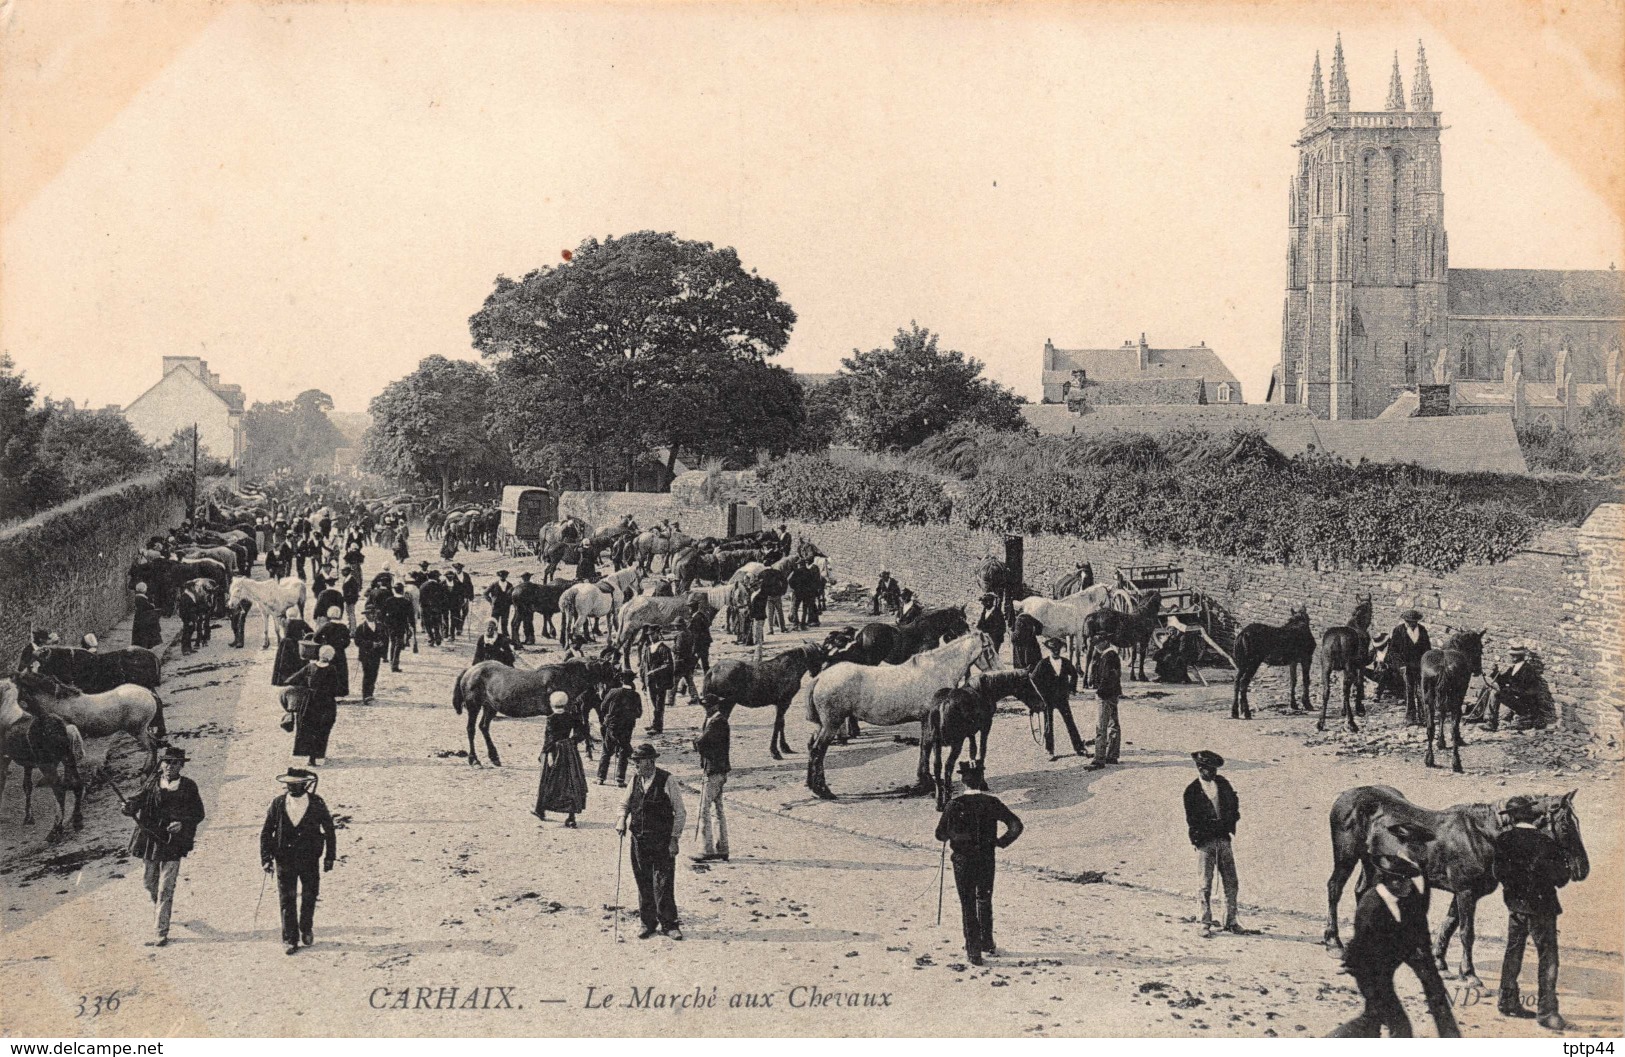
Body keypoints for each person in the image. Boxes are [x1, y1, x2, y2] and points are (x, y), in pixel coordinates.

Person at [1328, 852, 1462, 1038]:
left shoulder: (1396, 899)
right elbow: (1362, 950)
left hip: (1383, 970)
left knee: (1375, 1022)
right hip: (1371, 975)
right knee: (1396, 1027)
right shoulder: (1371, 906)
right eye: (1406, 881)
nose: (1410, 885)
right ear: (1394, 882)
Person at [1494, 795, 1571, 1031]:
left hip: (1516, 907)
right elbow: (1561, 879)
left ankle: (1507, 1001)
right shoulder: (1547, 842)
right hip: (1543, 908)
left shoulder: (1503, 840)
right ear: (1532, 816)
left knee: (1513, 952)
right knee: (1547, 956)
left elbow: (1499, 874)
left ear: (1512, 818)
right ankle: (1547, 1011)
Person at [123, 746, 206, 948]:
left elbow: (199, 813)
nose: (170, 766)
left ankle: (161, 931)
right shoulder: (152, 783)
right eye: (167, 762)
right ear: (161, 764)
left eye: (175, 763)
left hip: (173, 842)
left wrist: (183, 824)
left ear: (181, 766)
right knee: (149, 883)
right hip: (150, 839)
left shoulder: (189, 787)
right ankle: (160, 907)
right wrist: (128, 807)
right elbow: (137, 800)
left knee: (165, 888)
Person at [935, 787, 1023, 966]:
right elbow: (1016, 825)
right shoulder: (992, 802)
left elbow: (940, 834)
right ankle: (987, 942)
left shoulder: (955, 804)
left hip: (963, 860)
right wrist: (1000, 842)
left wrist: (953, 836)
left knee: (967, 903)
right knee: (984, 898)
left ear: (963, 781)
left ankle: (973, 951)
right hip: (986, 858)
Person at [259, 768, 337, 956]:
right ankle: (289, 939)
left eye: (295, 783)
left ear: (305, 784)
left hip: (309, 858)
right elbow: (266, 831)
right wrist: (266, 858)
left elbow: (329, 830)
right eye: (288, 783)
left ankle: (306, 927)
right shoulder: (278, 803)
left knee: (310, 894)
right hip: (284, 859)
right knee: (287, 899)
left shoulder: (317, 803)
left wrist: (329, 857)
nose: (291, 787)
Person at [616, 744, 686, 940]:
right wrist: (621, 819)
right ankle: (647, 923)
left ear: (650, 761)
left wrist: (674, 839)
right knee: (643, 881)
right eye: (634, 762)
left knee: (663, 882)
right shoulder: (635, 779)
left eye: (638, 762)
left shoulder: (667, 780)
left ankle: (669, 924)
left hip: (662, 841)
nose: (635, 765)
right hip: (639, 838)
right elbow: (624, 803)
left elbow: (680, 813)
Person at [1183, 750, 1253, 935]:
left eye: (1214, 769)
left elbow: (1234, 805)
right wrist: (1202, 837)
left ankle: (1230, 921)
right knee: (1205, 883)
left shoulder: (1222, 784)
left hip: (1223, 838)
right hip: (1205, 842)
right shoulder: (1191, 791)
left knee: (1231, 882)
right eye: (1209, 769)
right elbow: (1192, 820)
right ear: (1200, 768)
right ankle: (1203, 921)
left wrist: (1229, 822)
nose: (1213, 773)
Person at [533, 691, 589, 827]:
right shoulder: (571, 717)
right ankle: (571, 817)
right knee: (572, 781)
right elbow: (583, 732)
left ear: (552, 704)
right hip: (569, 751)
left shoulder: (551, 719)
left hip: (555, 751)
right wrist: (572, 741)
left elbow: (550, 739)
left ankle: (540, 809)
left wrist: (544, 753)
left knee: (547, 780)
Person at [1027, 638, 1087, 758]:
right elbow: (1033, 679)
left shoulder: (1065, 662)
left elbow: (1074, 674)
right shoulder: (1043, 663)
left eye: (1057, 649)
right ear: (1049, 650)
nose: (1055, 652)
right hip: (1047, 699)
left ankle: (1079, 748)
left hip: (1062, 698)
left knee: (1070, 722)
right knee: (1048, 723)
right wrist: (1040, 694)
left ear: (1060, 650)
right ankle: (1050, 750)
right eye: (1053, 649)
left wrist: (1071, 688)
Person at [284, 644, 342, 766]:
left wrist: (306, 686)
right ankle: (317, 755)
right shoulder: (332, 669)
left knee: (308, 728)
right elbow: (336, 689)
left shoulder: (310, 667)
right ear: (331, 657)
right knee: (323, 728)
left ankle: (310, 758)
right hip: (326, 703)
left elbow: (291, 680)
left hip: (309, 702)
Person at [692, 694, 731, 862]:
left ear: (714, 706)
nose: (706, 709)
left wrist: (696, 742)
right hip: (720, 769)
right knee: (718, 810)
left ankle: (706, 849)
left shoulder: (716, 723)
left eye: (707, 706)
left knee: (704, 809)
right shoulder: (719, 720)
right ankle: (722, 847)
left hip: (713, 770)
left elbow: (702, 742)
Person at [1387, 609, 1432, 725]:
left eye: (1413, 622)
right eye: (1408, 621)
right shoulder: (1398, 631)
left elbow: (1427, 649)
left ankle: (1423, 717)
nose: (1410, 624)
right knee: (1409, 690)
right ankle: (1410, 717)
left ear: (1416, 622)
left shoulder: (1422, 631)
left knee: (1421, 691)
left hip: (1420, 666)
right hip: (1406, 666)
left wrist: (1426, 664)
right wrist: (1400, 665)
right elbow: (1393, 651)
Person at [597, 671, 643, 787]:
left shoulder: (613, 692)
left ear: (621, 680)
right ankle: (620, 779)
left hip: (612, 726)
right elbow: (639, 714)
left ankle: (601, 778)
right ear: (632, 680)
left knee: (606, 751)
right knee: (623, 751)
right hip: (627, 727)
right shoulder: (635, 695)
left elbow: (602, 707)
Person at [1484, 645, 1545, 731]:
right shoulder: (1513, 668)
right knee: (1492, 691)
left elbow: (1526, 689)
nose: (1512, 657)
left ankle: (1491, 722)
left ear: (1520, 656)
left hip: (1524, 702)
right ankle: (1488, 720)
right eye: (1512, 655)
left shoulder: (1528, 669)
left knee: (1495, 693)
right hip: (1515, 697)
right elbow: (1502, 681)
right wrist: (1495, 672)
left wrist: (1510, 690)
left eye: (1514, 655)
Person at [1087, 640, 1122, 769]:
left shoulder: (1107, 656)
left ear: (1105, 643)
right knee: (1113, 725)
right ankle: (1112, 755)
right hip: (1113, 694)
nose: (1095, 646)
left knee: (1101, 727)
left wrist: (1099, 692)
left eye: (1097, 643)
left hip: (1105, 695)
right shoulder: (1113, 655)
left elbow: (1106, 678)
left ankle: (1099, 759)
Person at [312, 607, 351, 698]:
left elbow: (315, 638)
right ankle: (341, 691)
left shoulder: (326, 626)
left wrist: (323, 643)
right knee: (341, 671)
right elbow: (347, 641)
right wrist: (341, 646)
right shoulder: (343, 627)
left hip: (327, 651)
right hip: (339, 652)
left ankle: (328, 691)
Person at [353, 606, 388, 704]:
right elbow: (357, 641)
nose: (373, 615)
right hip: (366, 655)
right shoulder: (361, 627)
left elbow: (385, 638)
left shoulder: (380, 626)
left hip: (376, 655)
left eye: (374, 613)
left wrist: (382, 645)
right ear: (366, 615)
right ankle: (366, 695)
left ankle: (370, 694)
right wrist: (371, 644)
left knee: (374, 674)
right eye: (370, 614)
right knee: (367, 674)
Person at [271, 607, 313, 685]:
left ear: (287, 615)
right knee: (298, 662)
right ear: (297, 614)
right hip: (297, 644)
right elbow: (310, 631)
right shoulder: (301, 622)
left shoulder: (285, 621)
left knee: (285, 663)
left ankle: (283, 680)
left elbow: (279, 617)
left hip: (286, 645)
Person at [644, 634, 675, 735]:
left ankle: (658, 727)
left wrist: (655, 671)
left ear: (658, 634)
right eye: (649, 635)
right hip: (651, 682)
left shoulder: (664, 649)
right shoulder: (648, 649)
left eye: (653, 634)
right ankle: (655, 723)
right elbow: (644, 666)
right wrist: (644, 681)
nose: (651, 637)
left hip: (661, 681)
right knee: (654, 703)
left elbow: (668, 664)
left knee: (659, 704)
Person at [384, 583, 414, 671]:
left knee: (393, 642)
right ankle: (395, 665)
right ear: (402, 590)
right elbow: (411, 617)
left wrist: (385, 623)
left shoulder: (388, 600)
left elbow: (383, 613)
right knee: (398, 644)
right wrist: (412, 626)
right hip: (401, 625)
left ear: (394, 590)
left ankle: (391, 662)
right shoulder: (406, 602)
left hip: (390, 625)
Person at [511, 571, 542, 647]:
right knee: (528, 622)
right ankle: (530, 639)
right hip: (530, 608)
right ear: (529, 578)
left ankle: (516, 639)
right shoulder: (534, 586)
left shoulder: (518, 587)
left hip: (521, 607)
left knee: (518, 621)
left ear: (522, 578)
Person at [418, 572, 449, 647]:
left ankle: (431, 638)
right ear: (435, 577)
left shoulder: (423, 585)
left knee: (427, 624)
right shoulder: (440, 586)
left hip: (425, 608)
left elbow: (421, 598)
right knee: (436, 623)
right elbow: (443, 598)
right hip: (436, 608)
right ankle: (437, 636)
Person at [132, 582, 164, 650]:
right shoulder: (141, 598)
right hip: (144, 619)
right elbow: (147, 606)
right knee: (144, 635)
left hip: (140, 618)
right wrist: (152, 606)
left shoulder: (139, 597)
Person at [485, 570, 514, 638]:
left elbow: (512, 596)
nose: (502, 577)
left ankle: (505, 636)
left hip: (506, 607)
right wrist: (491, 601)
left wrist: (510, 603)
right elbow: (485, 593)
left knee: (504, 622)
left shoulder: (510, 585)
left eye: (504, 576)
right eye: (501, 576)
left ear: (506, 576)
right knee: (494, 621)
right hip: (496, 606)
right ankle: (492, 634)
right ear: (499, 576)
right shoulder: (494, 584)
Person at [449, 563, 474, 640]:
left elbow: (470, 586)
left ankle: (460, 626)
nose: (458, 570)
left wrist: (471, 596)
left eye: (459, 569)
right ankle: (458, 628)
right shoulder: (452, 576)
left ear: (461, 569)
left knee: (465, 612)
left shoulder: (466, 575)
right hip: (456, 599)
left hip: (465, 597)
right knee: (456, 614)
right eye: (457, 569)